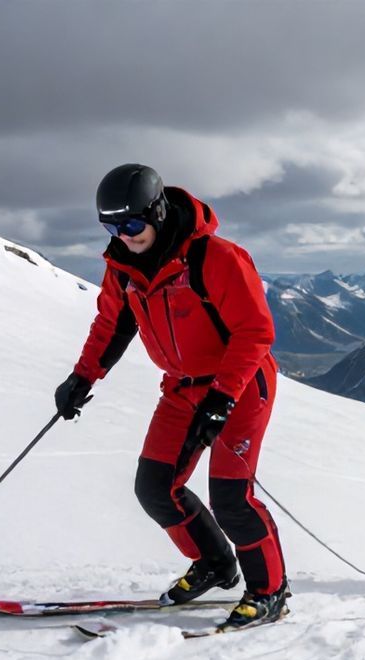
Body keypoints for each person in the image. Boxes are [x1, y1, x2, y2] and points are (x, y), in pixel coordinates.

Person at [55, 164, 287, 630]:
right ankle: (216, 564)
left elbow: (255, 331)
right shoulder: (122, 267)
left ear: (157, 212)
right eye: (111, 227)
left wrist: (222, 399)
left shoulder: (215, 257)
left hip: (239, 385)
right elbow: (112, 325)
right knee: (155, 488)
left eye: (131, 225)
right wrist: (82, 378)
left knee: (231, 497)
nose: (123, 235)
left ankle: (270, 591)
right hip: (181, 387)